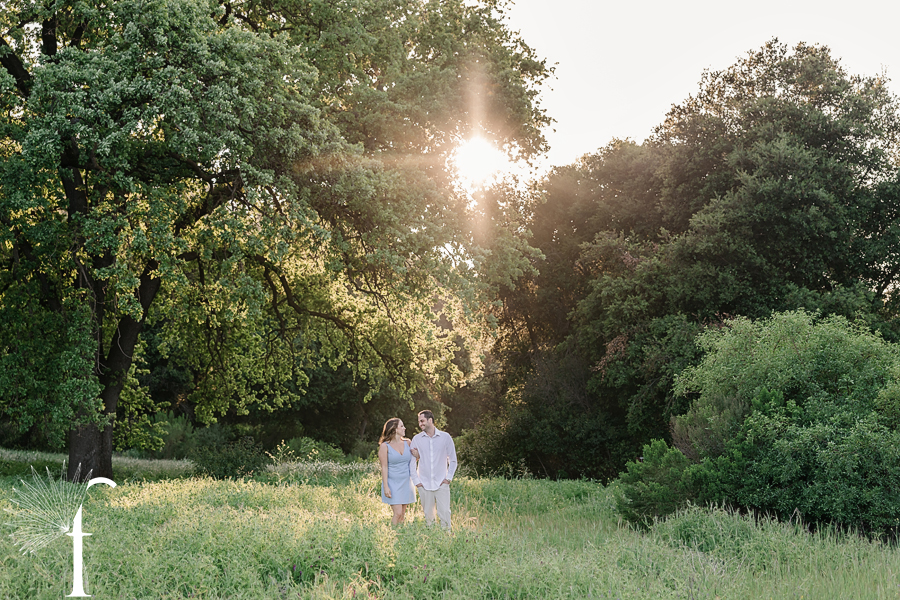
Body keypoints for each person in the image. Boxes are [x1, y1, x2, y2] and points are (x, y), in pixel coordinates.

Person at [410, 410, 457, 529]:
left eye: (422, 421)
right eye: (419, 422)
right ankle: (431, 539)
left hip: (441, 482)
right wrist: (417, 482)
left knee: (445, 513)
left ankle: (446, 539)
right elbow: (411, 462)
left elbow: (452, 460)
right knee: (428, 517)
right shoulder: (416, 439)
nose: (420, 424)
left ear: (430, 420)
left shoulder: (445, 437)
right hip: (424, 484)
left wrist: (448, 478)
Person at [377, 418, 417, 525]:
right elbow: (384, 467)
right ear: (394, 429)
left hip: (406, 482)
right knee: (398, 513)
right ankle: (390, 535)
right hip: (392, 483)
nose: (404, 428)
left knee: (402, 514)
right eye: (402, 426)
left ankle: (400, 536)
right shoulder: (384, 446)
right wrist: (386, 486)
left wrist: (418, 455)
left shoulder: (408, 443)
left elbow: (414, 460)